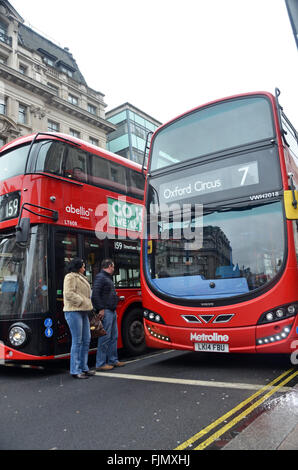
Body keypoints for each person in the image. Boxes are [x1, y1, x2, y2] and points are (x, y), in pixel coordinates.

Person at [63, 258, 95, 379]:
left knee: (86, 339)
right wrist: (82, 301)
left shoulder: (80, 277)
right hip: (73, 311)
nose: (84, 268)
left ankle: (84, 367)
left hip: (83, 311)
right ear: (78, 267)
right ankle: (75, 370)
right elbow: (68, 293)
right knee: (77, 341)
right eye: (83, 266)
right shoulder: (70, 277)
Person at [92, 259, 125, 371]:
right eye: (113, 266)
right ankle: (100, 363)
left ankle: (113, 360)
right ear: (110, 266)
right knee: (105, 337)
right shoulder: (101, 277)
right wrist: (101, 309)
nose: (114, 269)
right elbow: (95, 295)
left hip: (111, 310)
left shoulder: (105, 277)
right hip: (106, 311)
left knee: (113, 337)